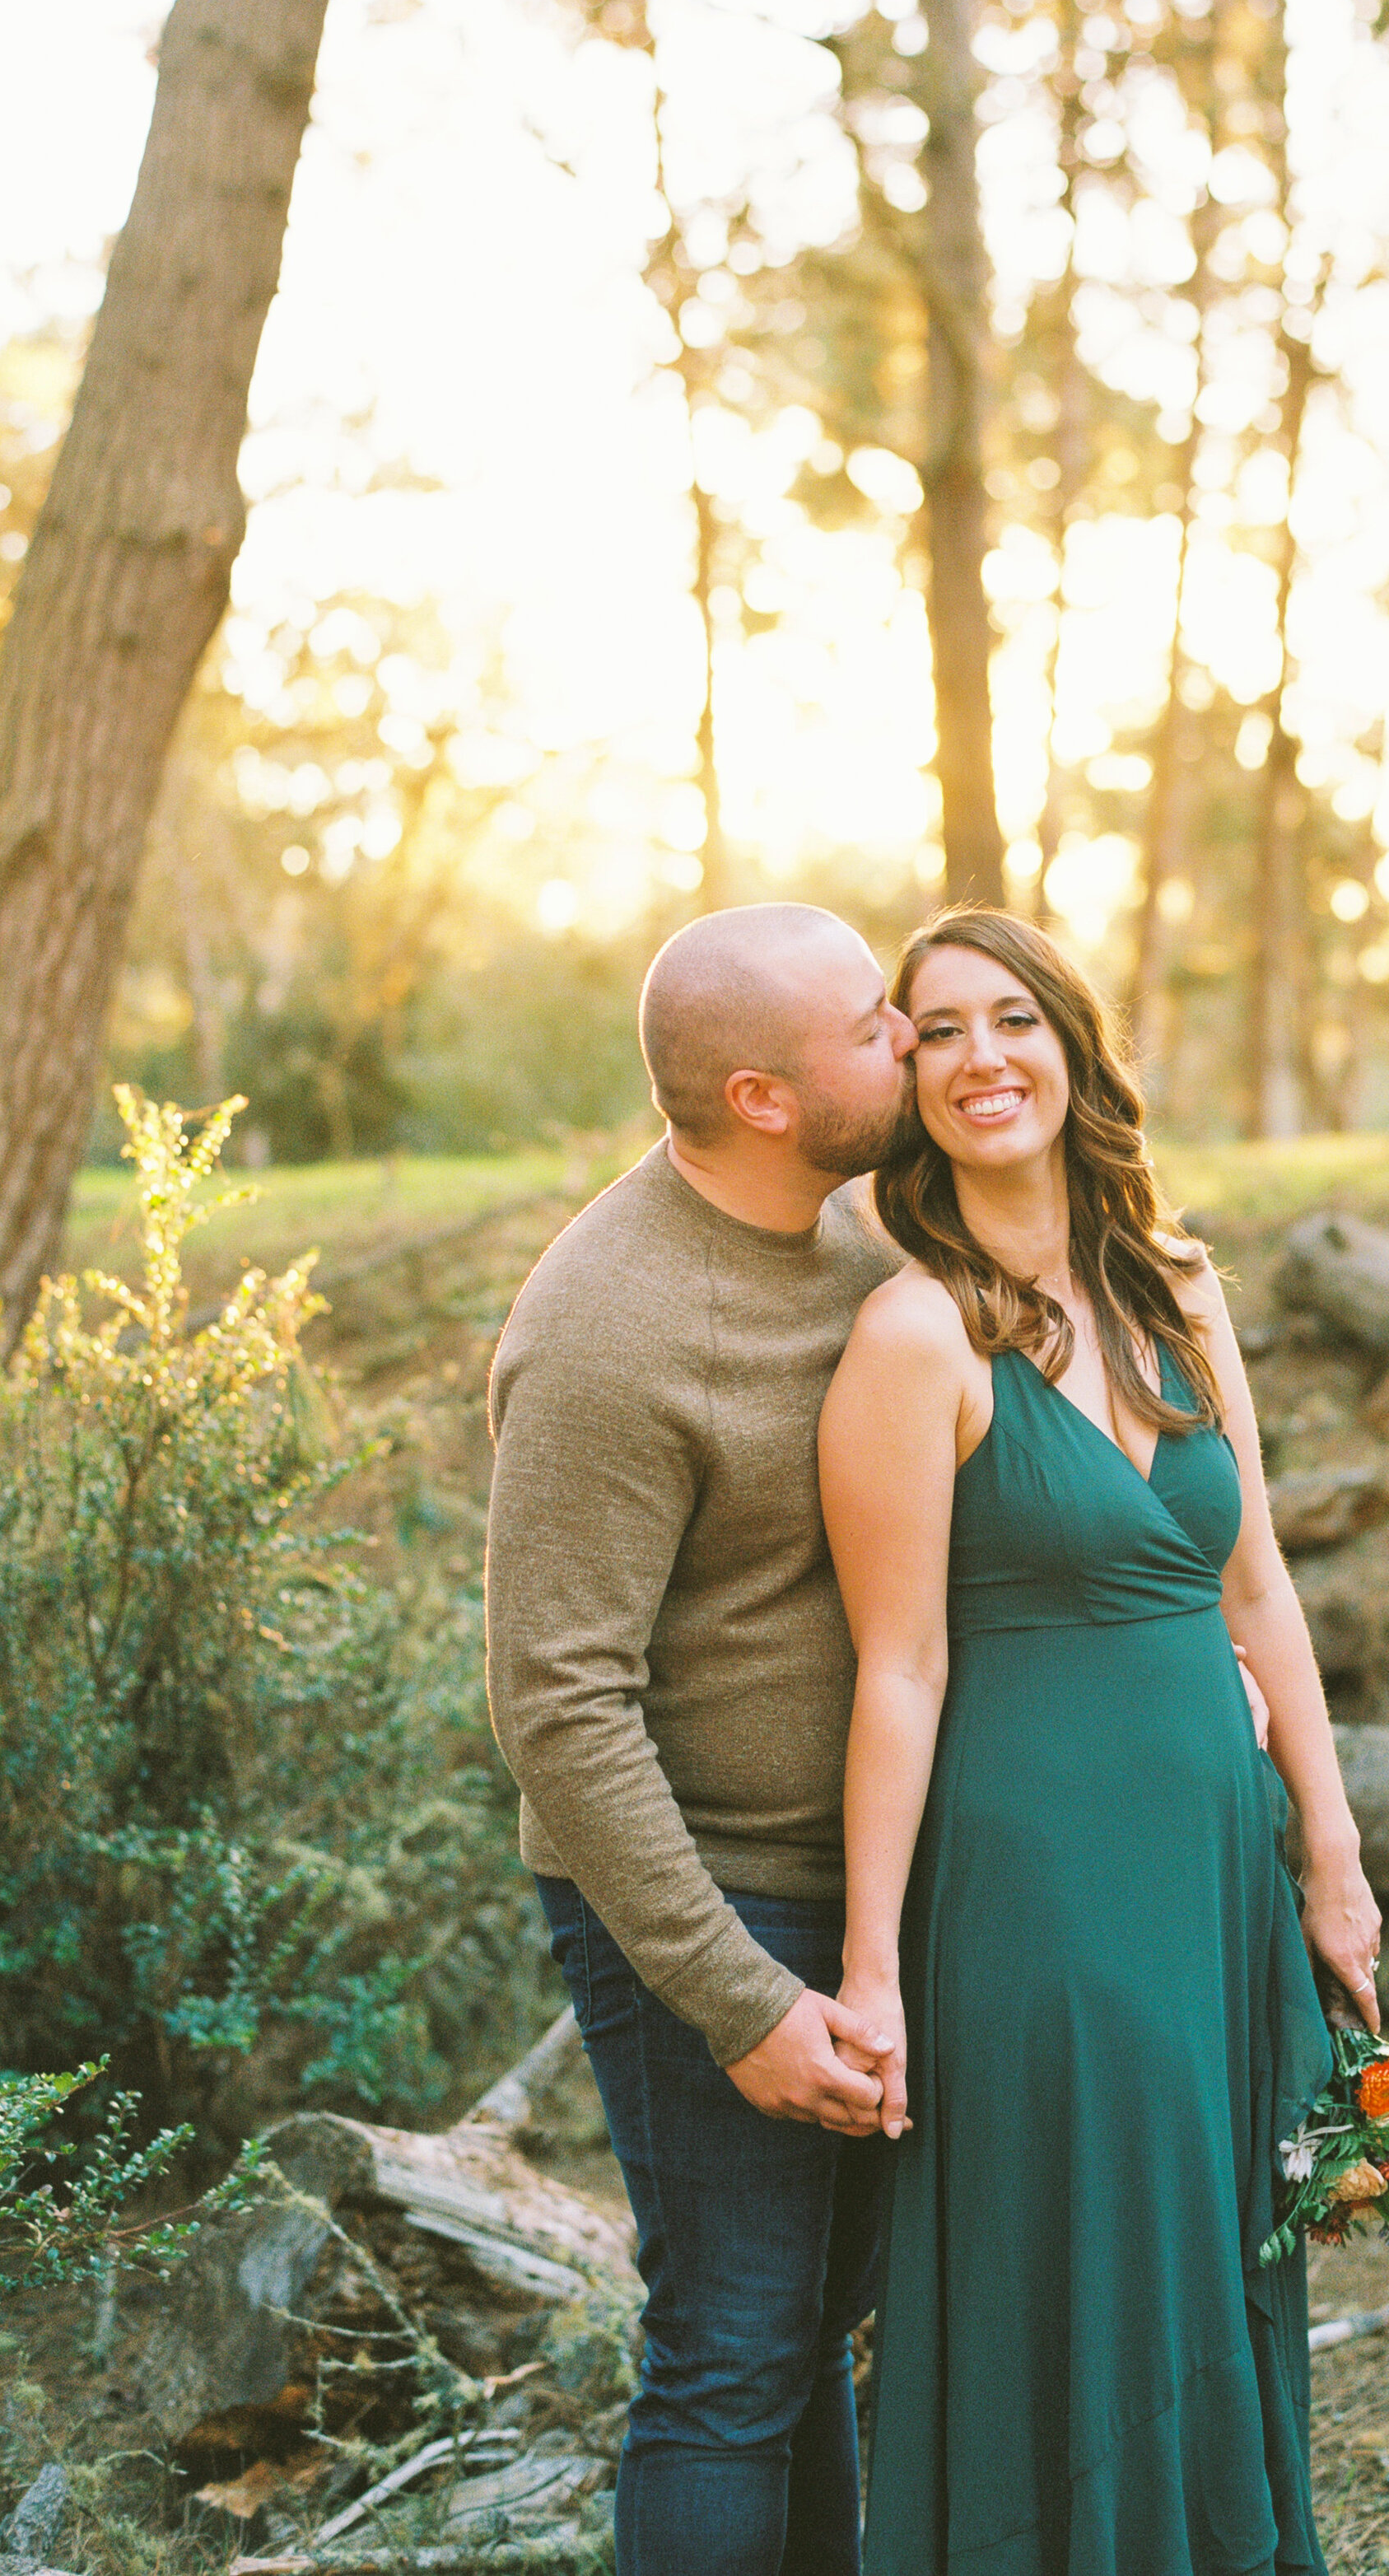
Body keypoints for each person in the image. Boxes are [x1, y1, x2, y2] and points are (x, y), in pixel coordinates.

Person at [820, 907, 1384, 2576]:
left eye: (1012, 1019)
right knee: (1099, 2253)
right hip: (1039, 1885)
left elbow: (1257, 1586)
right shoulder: (913, 1334)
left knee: (1217, 2244)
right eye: (937, 1031)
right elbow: (898, 1668)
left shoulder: (1178, 1285)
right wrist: (871, 1967)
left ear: (1070, 1044)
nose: (981, 1057)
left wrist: (1331, 1865)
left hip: (1215, 1871)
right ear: (905, 1073)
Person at [483, 902, 918, 2576]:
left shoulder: (856, 1243)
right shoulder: (609, 1325)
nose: (909, 1038)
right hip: (705, 1898)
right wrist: (736, 1998)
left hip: (861, 1892)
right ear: (759, 1093)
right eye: (874, 1020)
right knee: (731, 2345)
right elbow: (556, 1704)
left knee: (805, 2331)